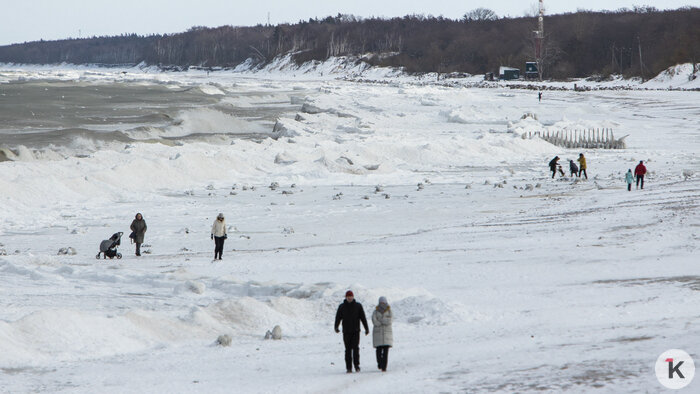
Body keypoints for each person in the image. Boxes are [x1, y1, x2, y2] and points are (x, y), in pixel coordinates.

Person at [334, 290, 369, 373]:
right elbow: (338, 318)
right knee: (348, 350)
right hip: (346, 331)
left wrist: (366, 328)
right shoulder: (342, 307)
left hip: (356, 331)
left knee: (356, 349)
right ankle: (348, 367)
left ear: (353, 297)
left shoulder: (358, 306)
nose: (350, 297)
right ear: (346, 297)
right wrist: (336, 326)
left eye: (351, 296)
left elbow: (363, 318)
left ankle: (357, 366)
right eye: (348, 296)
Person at [372, 296, 393, 372]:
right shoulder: (376, 311)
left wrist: (382, 320)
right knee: (378, 350)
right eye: (381, 302)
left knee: (386, 351)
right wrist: (379, 322)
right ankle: (379, 363)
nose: (382, 303)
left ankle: (384, 367)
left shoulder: (389, 311)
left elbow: (390, 320)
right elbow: (374, 320)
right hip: (378, 333)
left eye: (383, 302)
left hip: (387, 333)